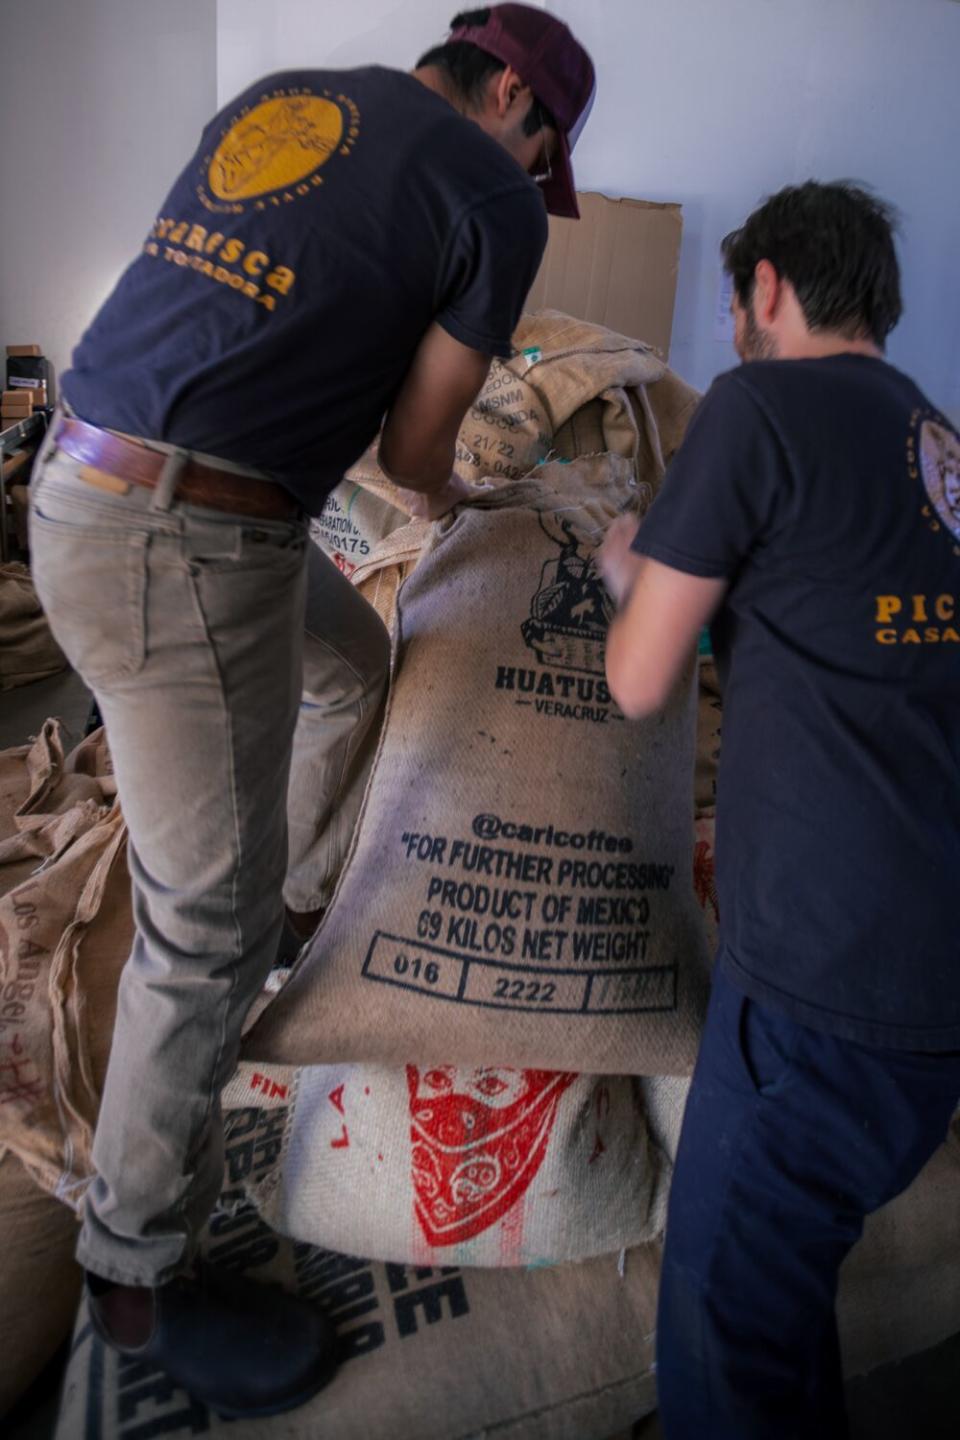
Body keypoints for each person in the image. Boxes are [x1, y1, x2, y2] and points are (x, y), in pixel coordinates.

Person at [27, 4, 595, 1418]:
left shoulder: (288, 96)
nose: (534, 178)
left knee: (347, 664)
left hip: (78, 487)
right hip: (185, 544)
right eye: (543, 151)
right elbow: (413, 457)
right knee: (194, 931)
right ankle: (136, 1272)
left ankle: (282, 900)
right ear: (516, 100)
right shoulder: (487, 198)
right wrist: (481, 500)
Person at [598, 180, 960, 1438]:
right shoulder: (939, 441)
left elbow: (642, 681)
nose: (734, 333)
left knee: (722, 1327)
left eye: (737, 304)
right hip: (932, 975)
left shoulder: (757, 405)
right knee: (782, 1285)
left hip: (821, 983)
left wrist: (621, 564)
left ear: (767, 287)